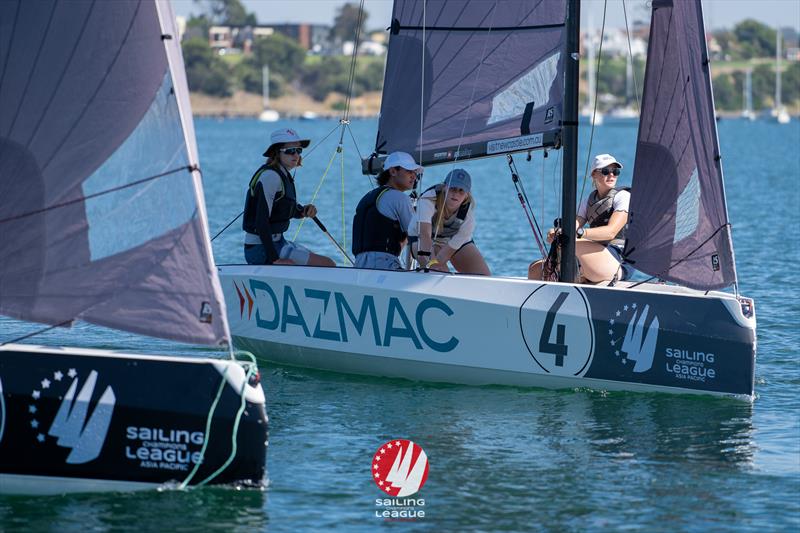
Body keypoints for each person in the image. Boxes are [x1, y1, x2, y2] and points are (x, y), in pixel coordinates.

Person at [531, 153, 632, 283]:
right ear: (594, 174)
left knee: (570, 243)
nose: (612, 175)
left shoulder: (623, 197)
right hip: (593, 257)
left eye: (615, 171)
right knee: (535, 269)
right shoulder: (587, 201)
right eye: (606, 171)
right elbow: (573, 226)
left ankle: (580, 276)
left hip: (618, 261)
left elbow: (610, 232)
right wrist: (557, 234)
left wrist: (579, 233)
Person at [242, 128, 335, 267]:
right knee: (328, 265)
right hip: (260, 249)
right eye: (290, 150)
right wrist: (275, 259)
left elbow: (282, 209)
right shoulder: (271, 177)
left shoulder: (282, 174)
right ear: (276, 153)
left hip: (278, 242)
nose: (296, 154)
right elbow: (261, 221)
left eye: (298, 150)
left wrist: (303, 211)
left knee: (326, 263)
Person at [408, 168, 490, 275]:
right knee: (437, 272)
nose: (456, 194)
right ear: (444, 188)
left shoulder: (468, 219)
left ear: (467, 194)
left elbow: (447, 253)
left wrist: (438, 262)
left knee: (483, 276)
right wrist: (432, 264)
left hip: (450, 241)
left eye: (461, 191)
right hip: (422, 239)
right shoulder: (427, 200)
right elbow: (424, 235)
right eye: (453, 188)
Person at [351, 151, 420, 270]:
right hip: (384, 265)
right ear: (393, 171)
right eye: (409, 171)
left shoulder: (368, 197)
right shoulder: (399, 198)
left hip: (359, 265)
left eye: (415, 172)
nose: (414, 176)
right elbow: (417, 235)